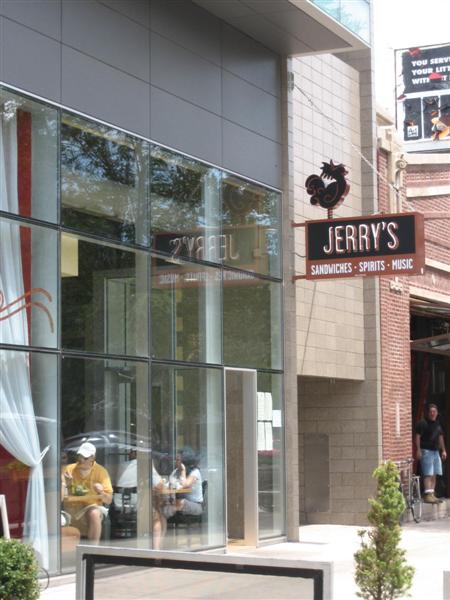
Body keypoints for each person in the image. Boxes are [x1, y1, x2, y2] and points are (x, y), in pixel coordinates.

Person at [62, 442, 113, 543]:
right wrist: (67, 484)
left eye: (85, 458)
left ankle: (93, 549)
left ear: (92, 458)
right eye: (80, 456)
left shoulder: (101, 472)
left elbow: (109, 500)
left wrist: (101, 492)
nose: (81, 460)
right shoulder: (69, 469)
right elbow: (60, 495)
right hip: (71, 507)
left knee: (94, 513)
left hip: (91, 506)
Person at [415, 404, 447, 504]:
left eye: (434, 412)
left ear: (437, 413)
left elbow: (440, 437)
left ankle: (432, 494)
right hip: (426, 451)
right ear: (428, 413)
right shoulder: (422, 423)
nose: (432, 413)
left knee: (434, 473)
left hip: (436, 451)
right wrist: (418, 449)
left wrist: (443, 450)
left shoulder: (438, 424)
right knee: (428, 473)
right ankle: (427, 495)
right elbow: (417, 437)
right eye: (431, 412)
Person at [170, 448, 203, 516]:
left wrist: (183, 470)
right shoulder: (176, 471)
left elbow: (184, 485)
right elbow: (170, 484)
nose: (175, 461)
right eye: (175, 459)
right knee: (164, 503)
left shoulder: (195, 472)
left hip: (195, 505)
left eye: (178, 460)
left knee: (180, 502)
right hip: (178, 502)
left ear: (185, 461)